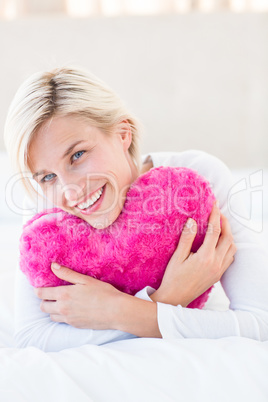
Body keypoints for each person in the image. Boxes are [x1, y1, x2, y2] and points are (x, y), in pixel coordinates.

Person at [4, 66, 268, 352]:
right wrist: (163, 301)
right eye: (47, 177)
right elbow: (32, 338)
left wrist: (118, 313)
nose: (70, 191)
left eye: (77, 155)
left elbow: (260, 323)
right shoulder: (47, 220)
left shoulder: (197, 180)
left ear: (122, 133)